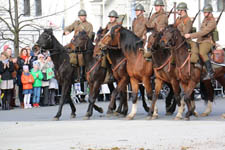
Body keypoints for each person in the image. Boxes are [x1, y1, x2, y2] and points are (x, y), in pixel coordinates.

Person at [185, 4, 216, 79]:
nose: (204, 13)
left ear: (209, 12)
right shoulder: (205, 19)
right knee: (192, 50)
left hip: (208, 41)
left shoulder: (212, 22)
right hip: (201, 40)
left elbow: (203, 32)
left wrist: (191, 35)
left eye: (205, 12)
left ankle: (210, 71)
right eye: (204, 12)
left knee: (202, 52)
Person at [63, 9, 93, 81]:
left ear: (86, 16)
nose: (82, 17)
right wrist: (66, 31)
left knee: (80, 56)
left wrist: (82, 39)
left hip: (83, 44)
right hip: (74, 43)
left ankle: (81, 74)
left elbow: (90, 36)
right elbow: (69, 28)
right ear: (79, 17)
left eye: (83, 16)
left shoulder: (89, 25)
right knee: (64, 50)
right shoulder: (76, 23)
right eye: (81, 16)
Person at [174, 2, 200, 67]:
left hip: (185, 40)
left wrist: (177, 33)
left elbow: (186, 33)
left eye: (178, 10)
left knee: (194, 46)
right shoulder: (178, 19)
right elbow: (174, 27)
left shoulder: (188, 20)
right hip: (177, 39)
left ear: (183, 10)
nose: (177, 11)